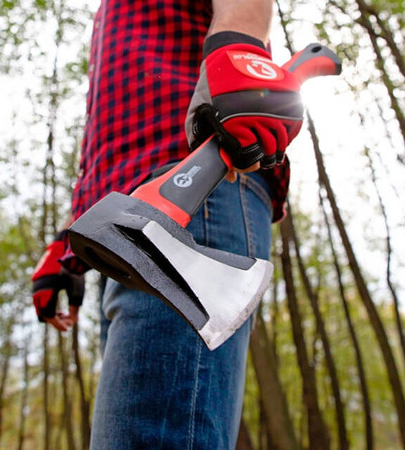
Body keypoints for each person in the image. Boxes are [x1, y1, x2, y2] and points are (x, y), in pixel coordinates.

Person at [32, 0, 305, 447]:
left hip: (200, 183)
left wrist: (240, 49)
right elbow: (104, 136)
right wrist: (64, 244)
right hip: (125, 217)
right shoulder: (107, 15)